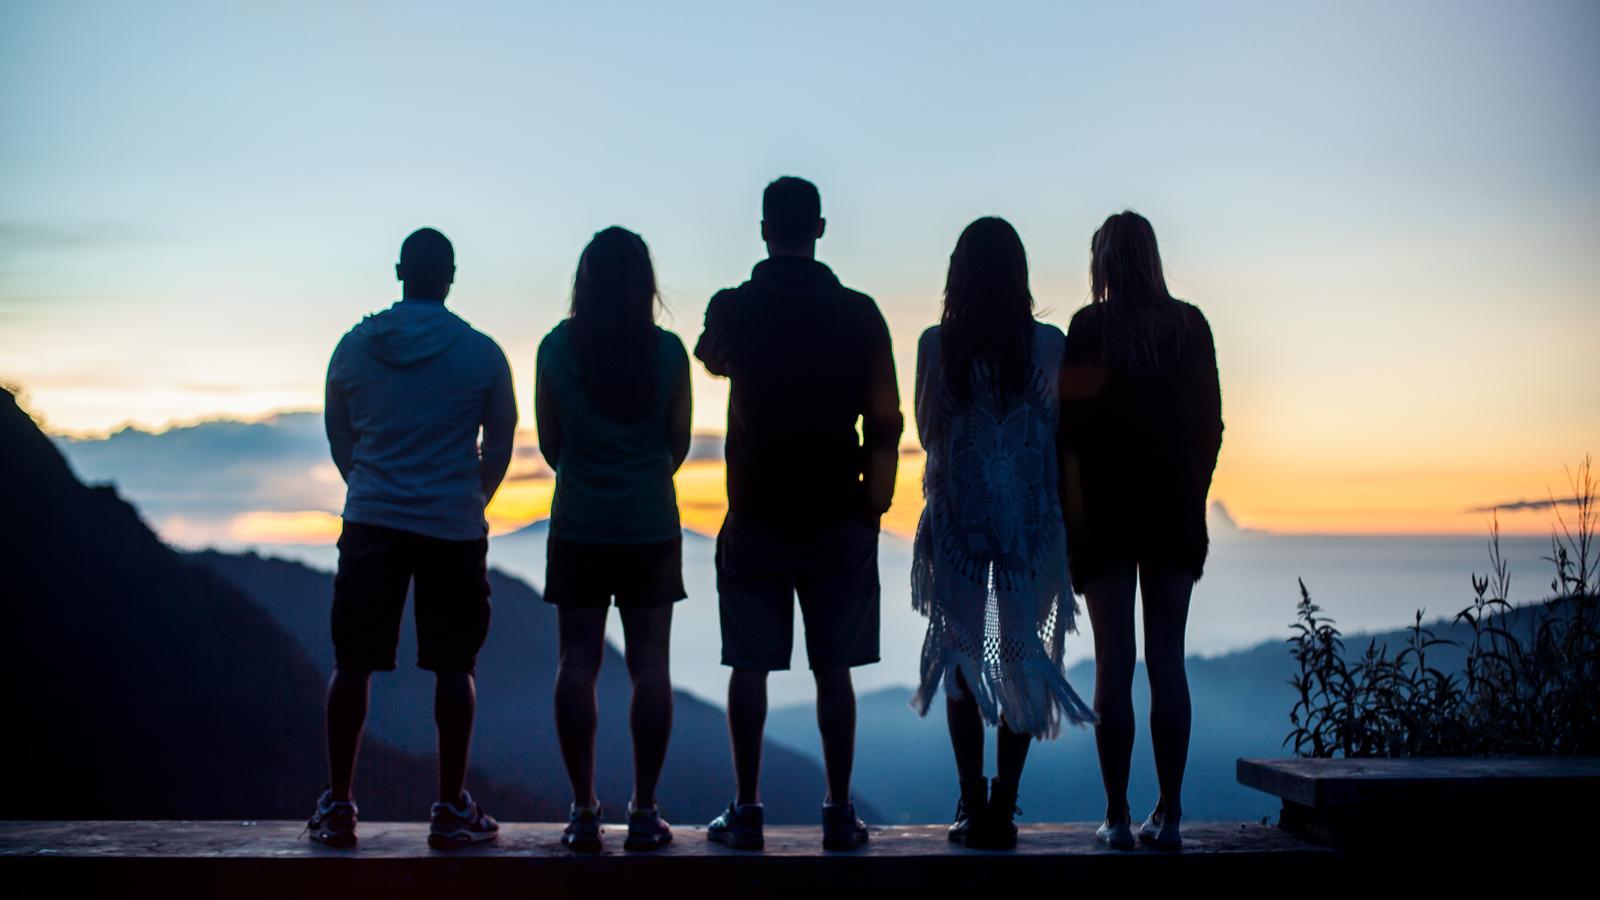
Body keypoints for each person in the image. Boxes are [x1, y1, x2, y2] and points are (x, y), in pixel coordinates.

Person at [695, 176, 903, 851]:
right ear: (819, 228)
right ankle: (839, 814)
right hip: (840, 512)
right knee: (833, 667)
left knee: (748, 665)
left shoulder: (735, 307)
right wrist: (875, 501)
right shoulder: (860, 313)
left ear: (763, 230)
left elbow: (709, 356)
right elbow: (885, 418)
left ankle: (746, 810)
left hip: (756, 511)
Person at [309, 227, 516, 850]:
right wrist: (465, 496)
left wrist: (373, 486)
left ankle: (340, 805)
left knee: (352, 663)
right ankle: (451, 809)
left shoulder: (353, 348)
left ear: (399, 270)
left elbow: (340, 435)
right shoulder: (481, 354)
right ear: (450, 276)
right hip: (451, 527)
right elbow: (501, 443)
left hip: (371, 520)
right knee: (455, 666)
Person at [909, 217, 1096, 850]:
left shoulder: (938, 345)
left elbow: (928, 428)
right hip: (1032, 530)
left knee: (961, 657)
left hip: (958, 521)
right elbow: (1062, 431)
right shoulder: (1049, 345)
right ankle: (1005, 807)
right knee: (1021, 656)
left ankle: (969, 805)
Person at [1060, 211, 1223, 851]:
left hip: (1104, 521)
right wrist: (1189, 493)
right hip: (1172, 518)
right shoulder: (1190, 327)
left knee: (1113, 665)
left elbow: (1066, 436)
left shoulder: (1088, 329)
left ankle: (1118, 817)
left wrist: (1075, 519)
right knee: (1167, 663)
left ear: (1103, 264)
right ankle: (1173, 815)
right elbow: (1209, 427)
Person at [535, 227, 692, 853]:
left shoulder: (555, 349)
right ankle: (646, 811)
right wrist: (641, 475)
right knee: (651, 665)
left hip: (578, 525)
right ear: (644, 286)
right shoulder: (668, 354)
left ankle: (582, 811)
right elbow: (676, 444)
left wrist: (590, 473)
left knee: (577, 662)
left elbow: (551, 444)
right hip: (650, 525)